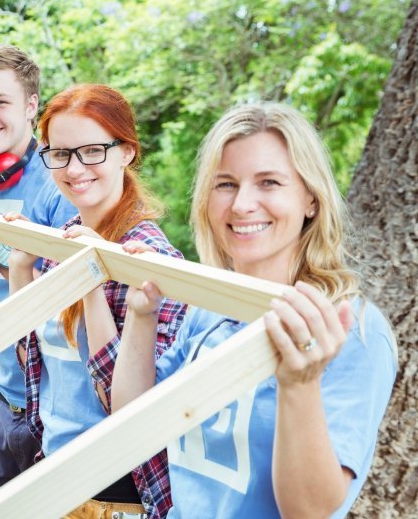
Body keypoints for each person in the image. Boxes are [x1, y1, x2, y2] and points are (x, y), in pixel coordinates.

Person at [112, 102, 397, 518]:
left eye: (268, 182)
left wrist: (299, 384)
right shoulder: (210, 304)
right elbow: (134, 426)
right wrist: (142, 315)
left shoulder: (350, 329)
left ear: (311, 200)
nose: (243, 204)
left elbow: (310, 512)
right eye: (225, 183)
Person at [6, 84, 187, 519]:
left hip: (117, 494)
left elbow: (127, 407)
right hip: (56, 472)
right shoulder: (64, 236)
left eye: (91, 151)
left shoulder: (150, 259)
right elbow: (32, 359)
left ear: (125, 152)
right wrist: (19, 270)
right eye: (60, 153)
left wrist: (90, 282)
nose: (74, 168)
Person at [0, 44, 78, 509]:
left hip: (49, 408)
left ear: (31, 106)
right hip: (1, 392)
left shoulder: (60, 182)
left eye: (0, 102)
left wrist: (12, 255)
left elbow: (73, 304)